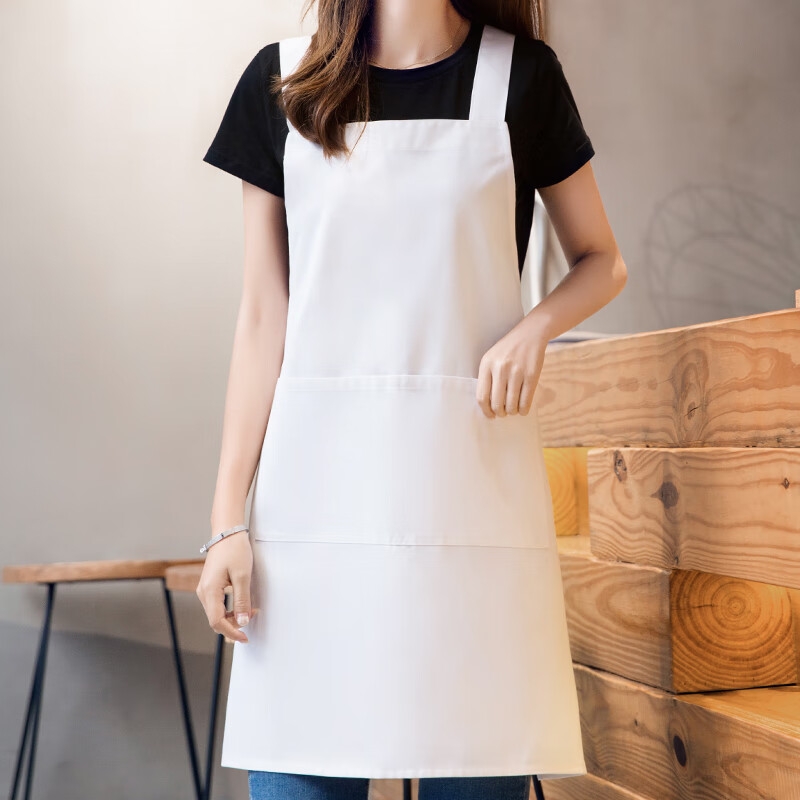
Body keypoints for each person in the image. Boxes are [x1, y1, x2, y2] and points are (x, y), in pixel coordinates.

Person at [196, 0, 627, 798]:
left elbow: (602, 259)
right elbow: (261, 317)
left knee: (477, 764)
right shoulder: (281, 83)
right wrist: (227, 521)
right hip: (314, 517)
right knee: (302, 766)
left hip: (470, 503)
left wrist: (536, 327)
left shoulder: (520, 79)